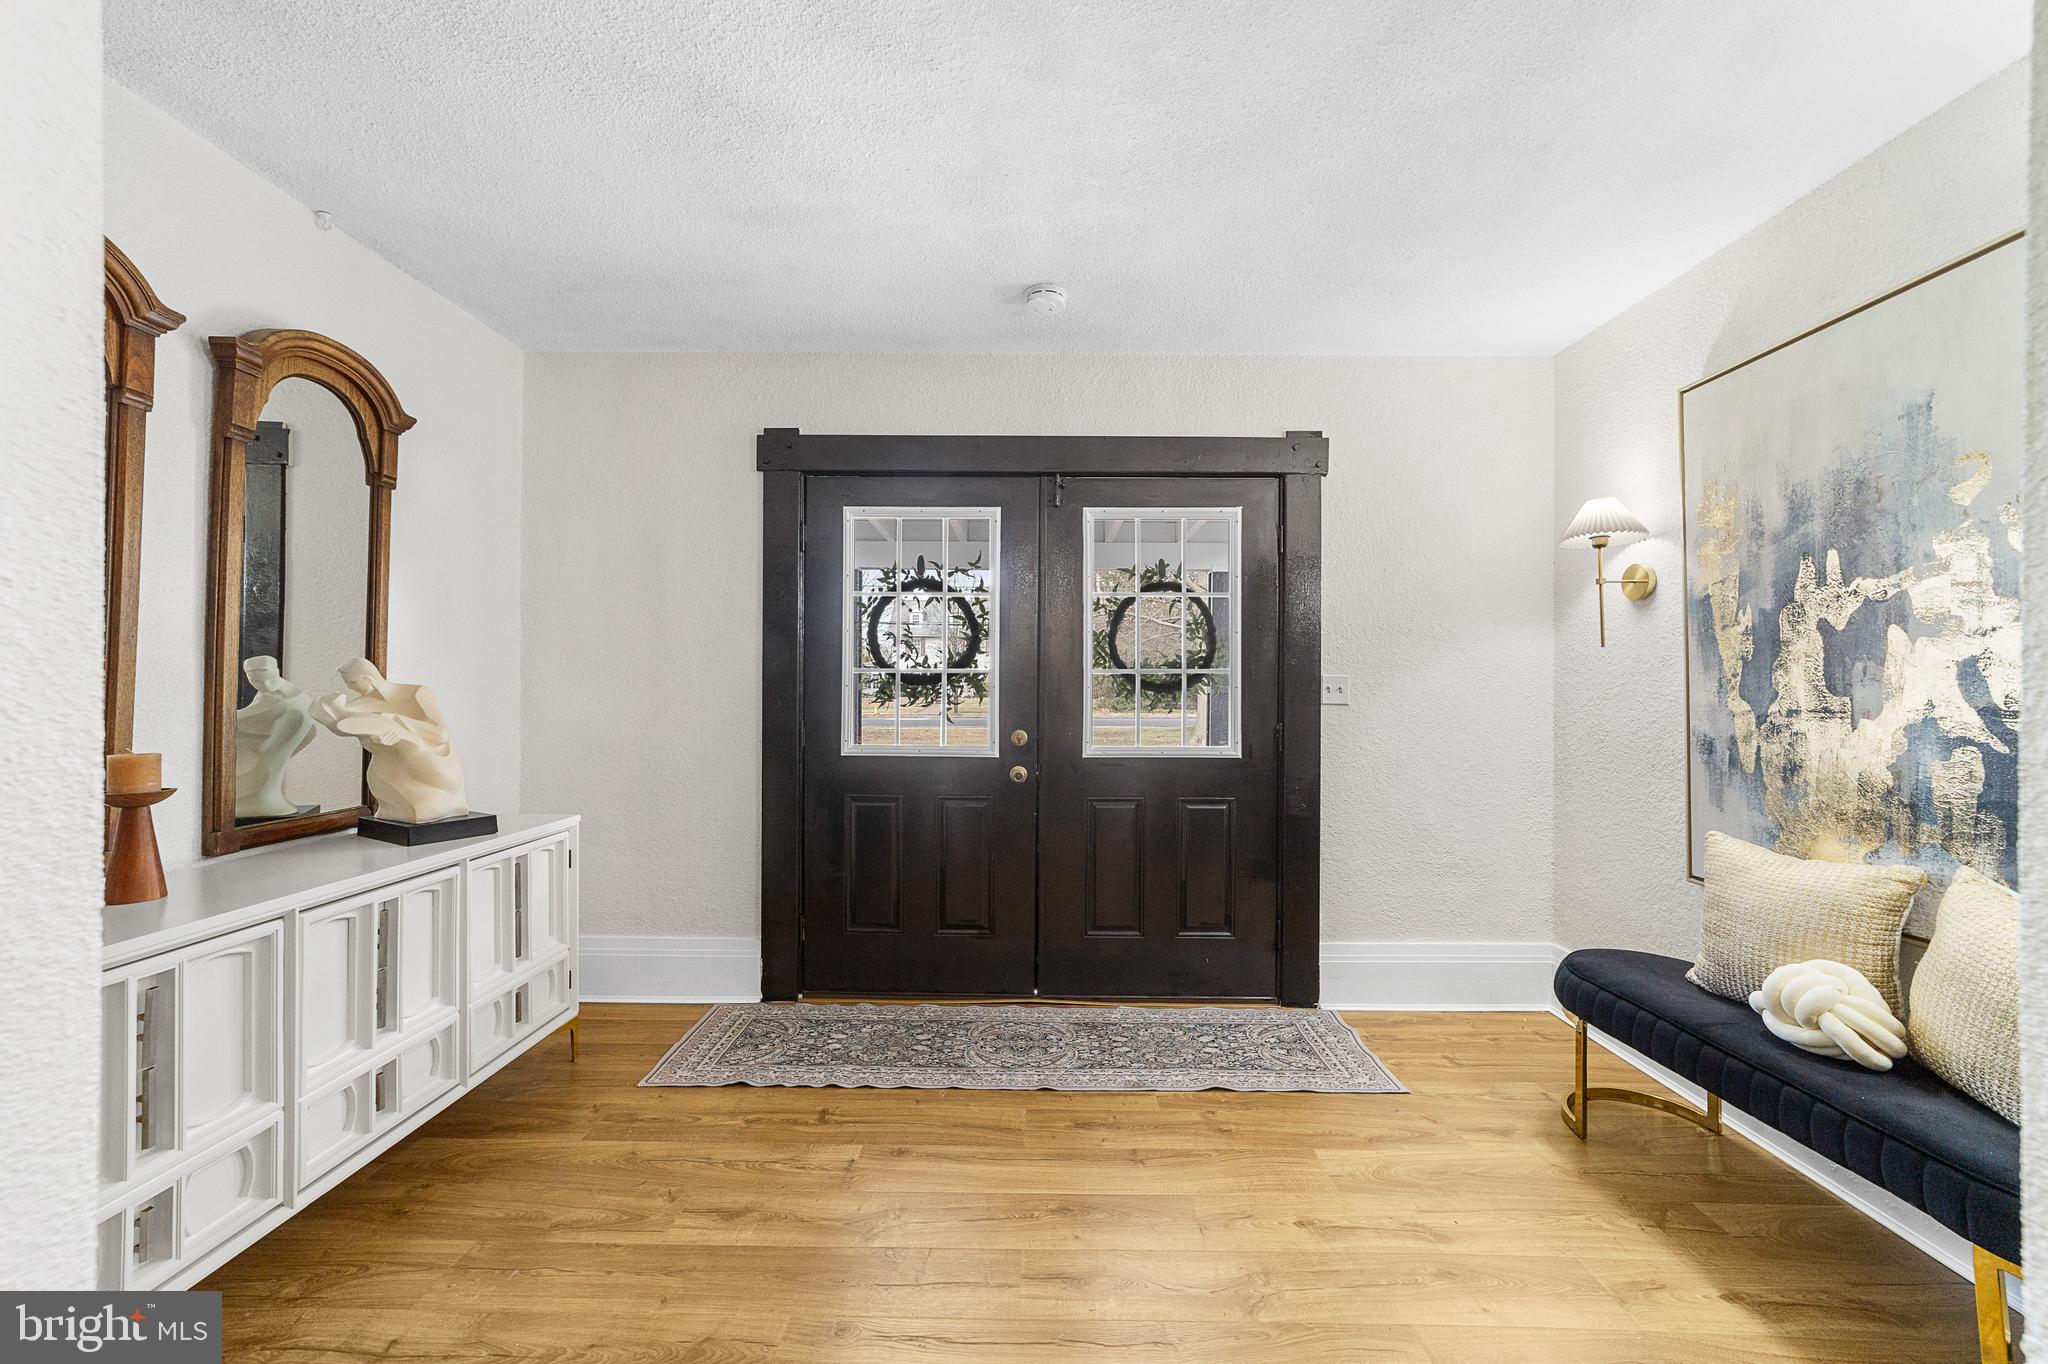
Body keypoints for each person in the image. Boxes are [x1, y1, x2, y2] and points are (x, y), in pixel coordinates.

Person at [313, 657, 469, 823]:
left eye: (353, 683)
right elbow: (345, 727)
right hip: (393, 769)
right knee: (387, 782)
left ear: (368, 678)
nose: (350, 688)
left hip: (431, 762)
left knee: (440, 788)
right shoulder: (359, 706)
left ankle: (443, 803)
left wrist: (396, 721)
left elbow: (439, 734)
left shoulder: (417, 693)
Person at [234, 655, 316, 819]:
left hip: (263, 777)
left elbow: (238, 719)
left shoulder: (281, 701)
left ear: (276, 671)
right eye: (256, 681)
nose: (264, 685)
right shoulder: (287, 695)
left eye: (269, 679)